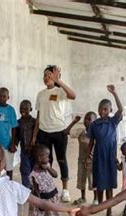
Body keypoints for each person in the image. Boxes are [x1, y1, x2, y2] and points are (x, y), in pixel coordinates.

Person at [31, 65, 76, 203]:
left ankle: (65, 190)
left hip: (59, 132)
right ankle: (47, 187)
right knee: (45, 161)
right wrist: (34, 136)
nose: (46, 78)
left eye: (49, 75)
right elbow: (39, 115)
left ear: (55, 77)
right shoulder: (40, 94)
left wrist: (59, 81)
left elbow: (73, 95)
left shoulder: (60, 91)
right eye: (44, 75)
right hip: (44, 132)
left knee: (62, 160)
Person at [86, 85, 123, 216]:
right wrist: (87, 157)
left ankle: (109, 211)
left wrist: (115, 93)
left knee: (109, 186)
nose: (102, 111)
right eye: (100, 108)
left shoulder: (113, 122)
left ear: (110, 110)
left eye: (105, 109)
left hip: (110, 158)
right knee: (100, 184)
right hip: (98, 158)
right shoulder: (94, 125)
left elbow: (121, 109)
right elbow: (91, 143)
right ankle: (100, 206)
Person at [28, 145, 65, 216]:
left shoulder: (47, 168)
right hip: (41, 199)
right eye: (47, 156)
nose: (49, 158)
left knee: (52, 214)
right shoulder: (33, 175)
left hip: (52, 196)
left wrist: (48, 168)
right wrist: (40, 204)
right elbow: (35, 191)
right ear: (39, 158)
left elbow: (55, 175)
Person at [74, 111, 98, 205]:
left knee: (92, 180)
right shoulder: (81, 132)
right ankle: (83, 197)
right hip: (81, 160)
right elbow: (67, 132)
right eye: (85, 119)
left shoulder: (96, 134)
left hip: (92, 162)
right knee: (81, 179)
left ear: (95, 122)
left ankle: (96, 199)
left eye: (89, 119)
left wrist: (90, 158)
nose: (86, 121)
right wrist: (74, 122)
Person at [16, 100, 36, 188]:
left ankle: (34, 187)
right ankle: (26, 188)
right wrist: (14, 144)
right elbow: (17, 136)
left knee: (34, 169)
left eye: (26, 108)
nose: (23, 110)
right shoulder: (18, 122)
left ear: (30, 109)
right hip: (24, 150)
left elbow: (37, 135)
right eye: (21, 108)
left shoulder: (35, 122)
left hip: (34, 151)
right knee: (24, 170)